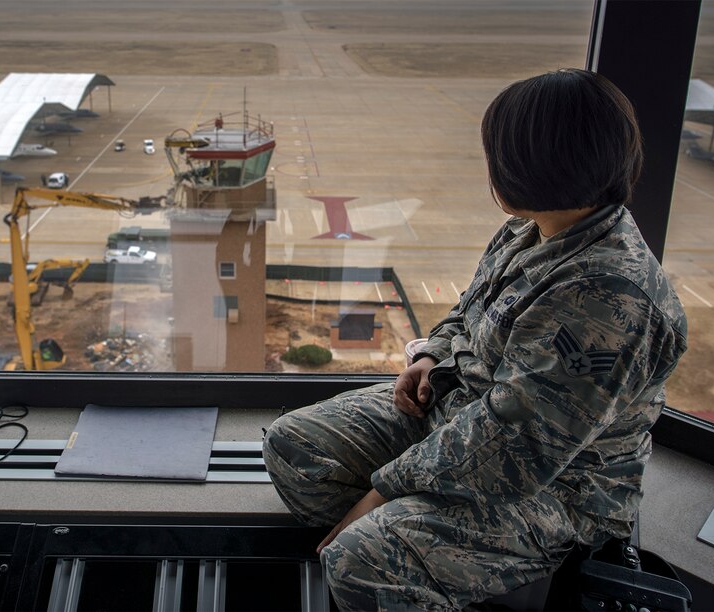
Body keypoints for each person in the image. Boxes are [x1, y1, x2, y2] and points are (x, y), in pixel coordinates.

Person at [262, 68, 687, 610]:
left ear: (533, 169)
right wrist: (434, 354)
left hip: (559, 485)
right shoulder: (533, 229)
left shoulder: (608, 296)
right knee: (294, 447)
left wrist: (382, 492)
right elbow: (471, 308)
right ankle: (431, 557)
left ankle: (418, 560)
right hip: (462, 414)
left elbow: (514, 443)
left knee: (361, 559)